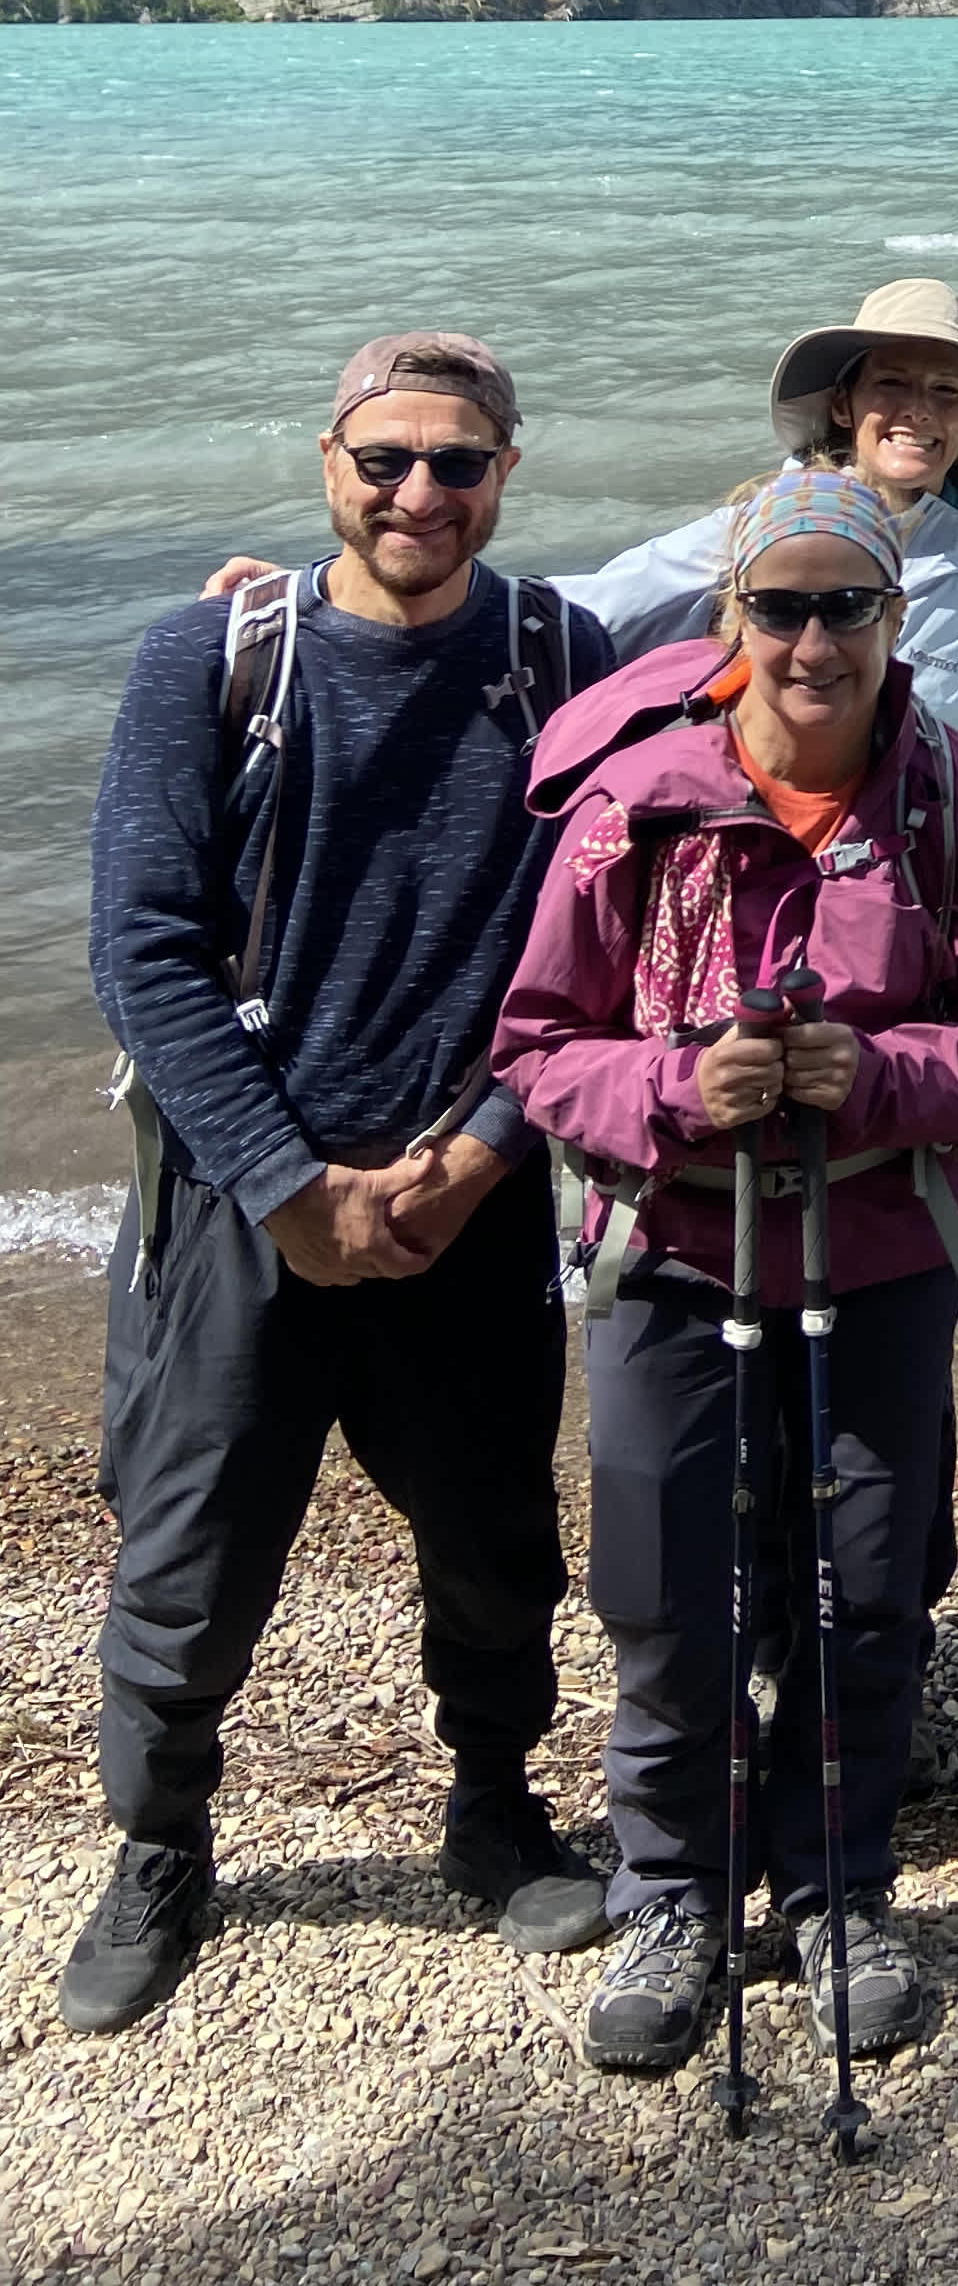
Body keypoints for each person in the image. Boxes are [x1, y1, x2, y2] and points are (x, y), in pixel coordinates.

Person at [64, 334, 616, 2037]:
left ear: (506, 472)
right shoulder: (214, 657)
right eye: (387, 459)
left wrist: (485, 1149)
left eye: (459, 462)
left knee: (495, 1542)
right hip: (241, 1199)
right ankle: (160, 1844)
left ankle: (495, 1806)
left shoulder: (562, 656)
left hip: (470, 1195)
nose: (420, 493)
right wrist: (285, 1180)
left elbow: (591, 950)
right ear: (328, 463)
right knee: (190, 1553)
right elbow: (143, 950)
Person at [493, 469, 958, 2073]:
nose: (815, 643)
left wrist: (871, 1076)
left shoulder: (956, 803)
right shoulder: (635, 804)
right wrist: (681, 1090)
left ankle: (837, 1888)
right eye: (782, 608)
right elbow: (538, 1046)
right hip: (676, 1252)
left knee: (863, 1589)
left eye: (848, 606)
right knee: (668, 1593)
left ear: (895, 615)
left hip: (876, 1255)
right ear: (731, 616)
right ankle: (672, 1890)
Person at [556, 275, 958, 763]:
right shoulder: (754, 533)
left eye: (946, 391)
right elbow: (576, 624)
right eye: (891, 383)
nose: (919, 410)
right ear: (843, 406)